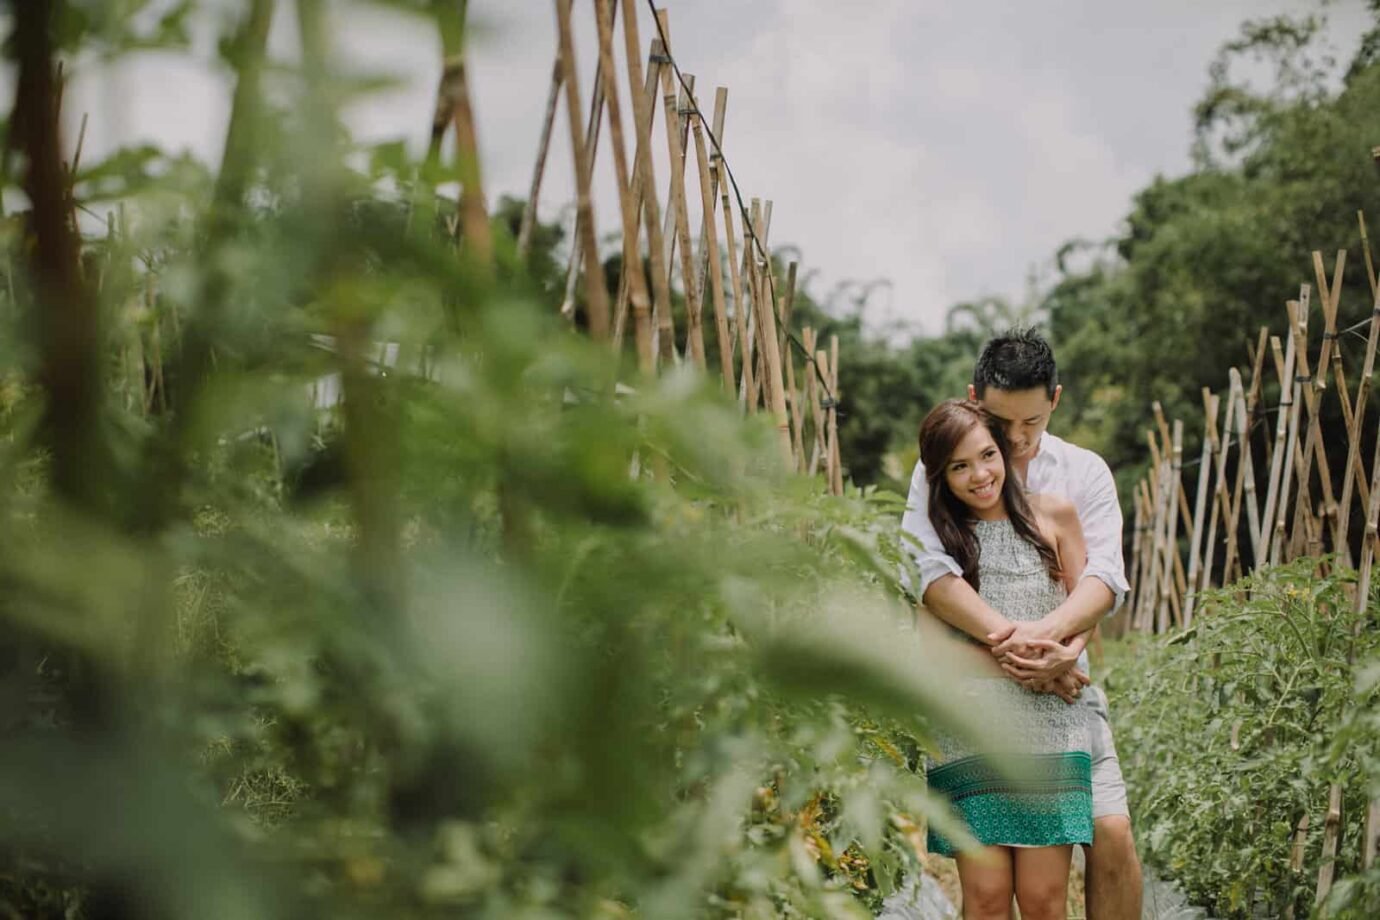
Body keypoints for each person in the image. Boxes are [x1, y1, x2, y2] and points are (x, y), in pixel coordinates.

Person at [901, 329, 1143, 920]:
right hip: (984, 695)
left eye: (1031, 422)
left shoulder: (1081, 476)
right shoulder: (939, 474)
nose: (1014, 440)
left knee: (1109, 835)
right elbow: (927, 574)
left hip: (1063, 691)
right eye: (1000, 424)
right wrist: (1018, 650)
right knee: (985, 896)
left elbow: (1101, 580)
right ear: (974, 399)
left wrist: (1059, 648)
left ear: (1055, 400)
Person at [919, 399, 1091, 920]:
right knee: (988, 900)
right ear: (940, 476)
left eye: (987, 455)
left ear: (1005, 452)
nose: (980, 475)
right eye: (959, 466)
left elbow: (1085, 611)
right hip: (970, 729)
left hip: (1051, 726)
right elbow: (934, 653)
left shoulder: (1056, 515)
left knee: (1042, 901)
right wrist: (1032, 672)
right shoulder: (938, 544)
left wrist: (1063, 661)